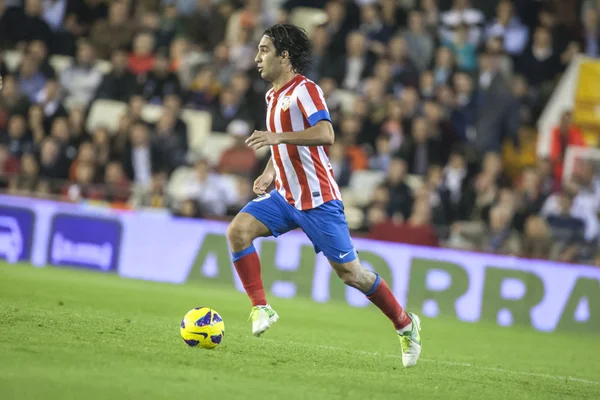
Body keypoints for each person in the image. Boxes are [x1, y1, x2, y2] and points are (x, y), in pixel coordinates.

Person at [226, 24, 422, 368]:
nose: (257, 57)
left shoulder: (306, 90)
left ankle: (405, 324)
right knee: (237, 231)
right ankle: (261, 306)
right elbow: (283, 144)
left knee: (352, 275)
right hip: (285, 196)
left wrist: (278, 137)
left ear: (284, 56)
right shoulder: (273, 95)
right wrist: (271, 170)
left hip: (318, 201)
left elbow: (326, 132)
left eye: (264, 50)